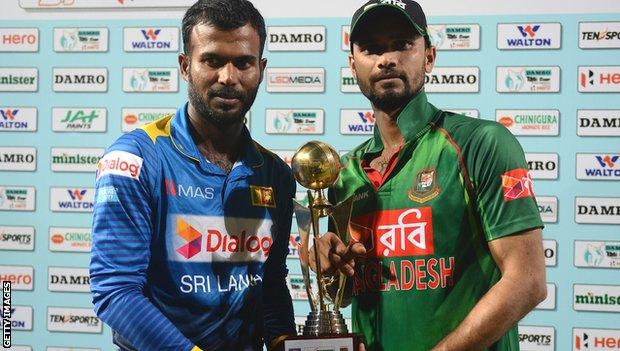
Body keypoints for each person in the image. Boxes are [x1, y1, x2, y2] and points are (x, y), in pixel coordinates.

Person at [312, 1, 547, 350]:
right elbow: (345, 297)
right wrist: (326, 267)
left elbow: (527, 281)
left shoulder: (482, 143)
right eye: (371, 49)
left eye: (402, 45)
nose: (386, 59)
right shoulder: (342, 173)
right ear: (352, 66)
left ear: (429, 57)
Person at [89, 1, 296, 350]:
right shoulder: (137, 158)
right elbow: (116, 290)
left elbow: (270, 284)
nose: (228, 77)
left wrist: (283, 341)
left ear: (260, 69)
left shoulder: (275, 172)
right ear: (186, 66)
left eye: (243, 62)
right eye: (212, 60)